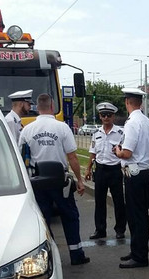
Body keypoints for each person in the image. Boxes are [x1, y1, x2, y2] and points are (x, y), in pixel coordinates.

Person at [20, 93, 90, 265]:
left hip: (37, 181)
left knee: (42, 219)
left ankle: (46, 257)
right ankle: (76, 254)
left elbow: (21, 157)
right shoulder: (62, 128)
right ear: (52, 106)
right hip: (60, 181)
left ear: (37, 108)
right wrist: (79, 181)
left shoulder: (27, 130)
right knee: (70, 216)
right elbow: (73, 157)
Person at [114, 87, 149, 269]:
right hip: (144, 171)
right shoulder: (148, 122)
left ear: (127, 102)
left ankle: (140, 256)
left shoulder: (132, 123)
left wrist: (117, 151)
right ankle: (136, 251)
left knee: (136, 216)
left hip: (134, 173)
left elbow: (126, 153)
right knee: (139, 215)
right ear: (140, 102)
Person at [85, 102, 127, 240]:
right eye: (103, 115)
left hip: (115, 170)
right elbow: (93, 153)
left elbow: (125, 151)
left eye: (109, 115)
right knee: (100, 201)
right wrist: (88, 169)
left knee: (118, 201)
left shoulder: (120, 133)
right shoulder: (96, 133)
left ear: (113, 116)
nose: (106, 117)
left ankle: (120, 229)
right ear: (100, 117)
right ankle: (100, 229)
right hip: (101, 169)